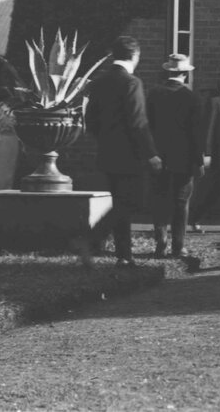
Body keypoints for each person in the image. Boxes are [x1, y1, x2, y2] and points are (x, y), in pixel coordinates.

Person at [77, 36, 160, 268]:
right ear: (136, 56)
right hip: (130, 154)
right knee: (131, 202)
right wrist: (151, 153)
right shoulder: (132, 83)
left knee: (120, 202)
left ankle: (124, 256)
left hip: (107, 152)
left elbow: (90, 119)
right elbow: (138, 123)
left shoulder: (99, 82)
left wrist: (105, 139)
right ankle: (92, 237)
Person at [146, 54, 204, 258]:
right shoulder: (192, 97)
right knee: (181, 203)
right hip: (184, 158)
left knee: (159, 200)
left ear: (168, 72)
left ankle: (160, 242)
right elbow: (197, 133)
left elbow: (147, 127)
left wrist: (150, 154)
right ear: (185, 73)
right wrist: (199, 161)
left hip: (158, 157)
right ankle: (178, 246)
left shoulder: (153, 94)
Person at [189, 63, 220, 231]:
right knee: (214, 187)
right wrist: (207, 152)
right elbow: (209, 128)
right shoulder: (215, 100)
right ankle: (195, 218)